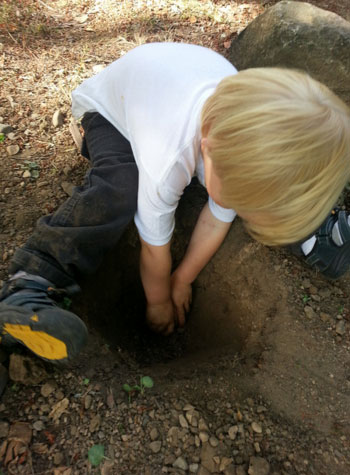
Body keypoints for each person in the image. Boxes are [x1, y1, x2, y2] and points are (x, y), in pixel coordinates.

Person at [0, 42, 349, 365]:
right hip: (111, 112)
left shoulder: (240, 139)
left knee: (229, 196)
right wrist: (158, 301)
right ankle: (29, 282)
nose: (234, 208)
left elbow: (219, 216)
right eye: (237, 200)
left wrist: (182, 278)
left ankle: (316, 230)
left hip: (171, 88)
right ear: (210, 149)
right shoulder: (167, 157)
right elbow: (154, 251)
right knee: (120, 186)